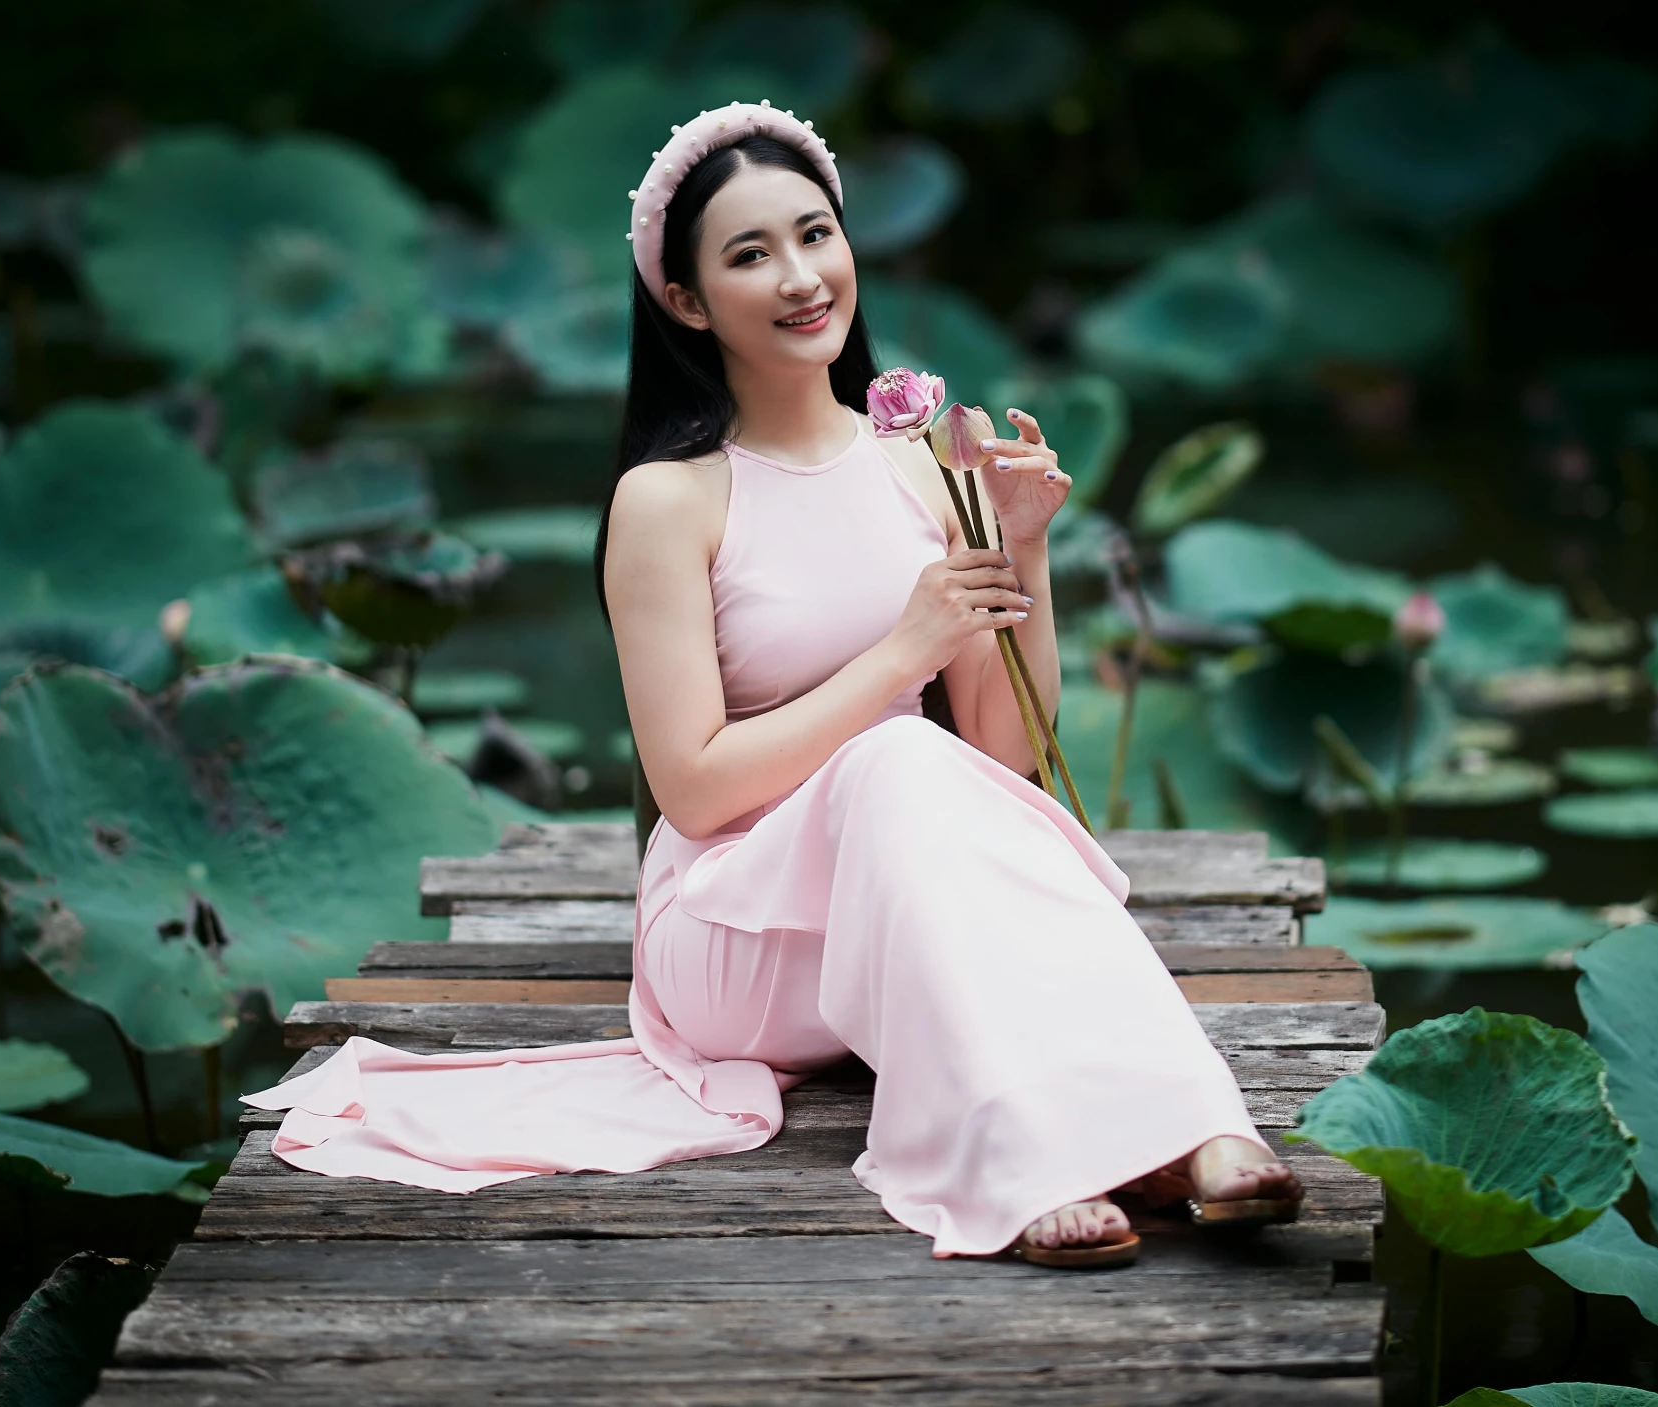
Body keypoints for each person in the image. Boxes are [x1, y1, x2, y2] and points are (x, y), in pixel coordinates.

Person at [246, 102, 1300, 1266]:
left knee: (941, 782)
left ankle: (1197, 1130)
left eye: (815, 235)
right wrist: (899, 657)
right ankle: (1028, 1153)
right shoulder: (670, 499)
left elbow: (997, 761)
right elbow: (692, 790)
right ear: (687, 302)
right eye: (750, 254)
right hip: (732, 934)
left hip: (901, 905)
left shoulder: (918, 462)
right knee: (899, 748)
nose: (800, 277)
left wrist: (1023, 547)